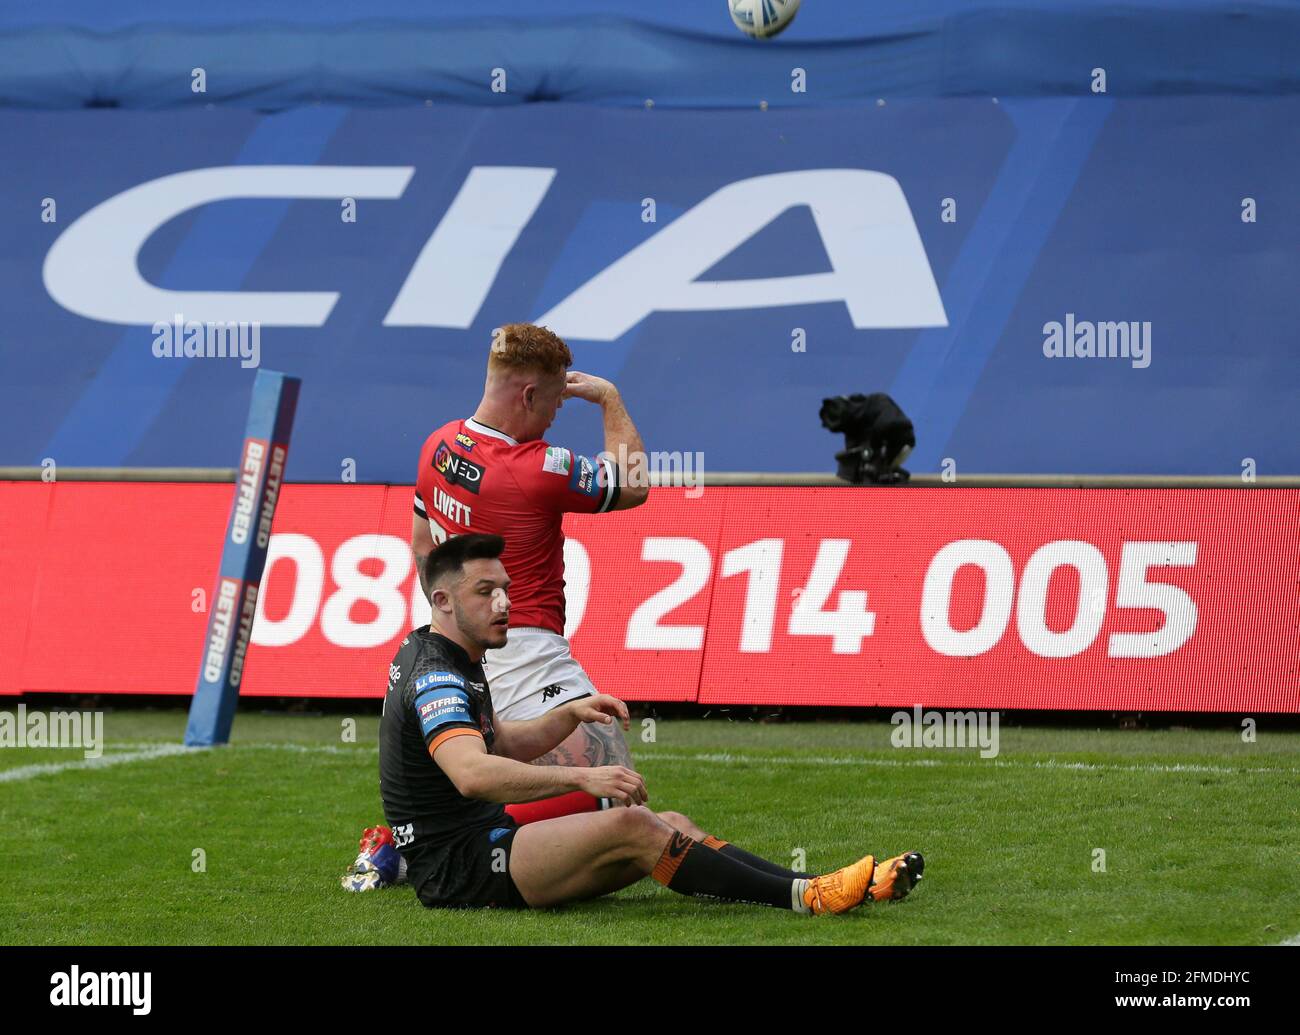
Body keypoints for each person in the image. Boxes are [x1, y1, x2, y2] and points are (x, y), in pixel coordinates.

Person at [380, 533, 924, 913]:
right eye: (485, 592)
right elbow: (472, 773)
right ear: (442, 600)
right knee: (636, 826)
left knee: (671, 822)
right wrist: (581, 777)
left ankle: (817, 884)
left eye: (504, 588)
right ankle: (810, 900)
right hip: (458, 867)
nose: (503, 602)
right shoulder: (437, 676)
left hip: (486, 840)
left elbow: (501, 741)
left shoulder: (457, 656)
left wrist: (567, 714)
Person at [411, 322, 648, 771]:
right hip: (531, 662)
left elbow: (423, 549)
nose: (557, 412)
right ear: (527, 396)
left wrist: (458, 629)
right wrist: (609, 398)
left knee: (534, 815)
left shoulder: (436, 445)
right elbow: (634, 485)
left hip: (463, 656)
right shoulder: (536, 468)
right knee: (620, 811)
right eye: (557, 399)